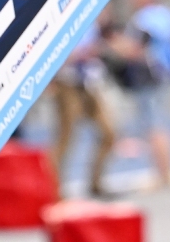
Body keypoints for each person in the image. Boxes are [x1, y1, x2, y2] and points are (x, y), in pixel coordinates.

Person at [117, 0, 170, 189]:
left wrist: (115, 45)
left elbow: (136, 48)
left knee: (155, 125)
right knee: (158, 123)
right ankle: (167, 173)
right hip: (162, 74)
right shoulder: (165, 15)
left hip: (151, 75)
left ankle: (162, 174)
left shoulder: (147, 18)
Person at [47, 22, 118, 200]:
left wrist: (98, 49)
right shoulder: (58, 20)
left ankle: (96, 182)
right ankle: (53, 190)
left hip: (89, 82)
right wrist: (77, 54)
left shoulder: (91, 20)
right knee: (66, 136)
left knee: (109, 132)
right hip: (67, 82)